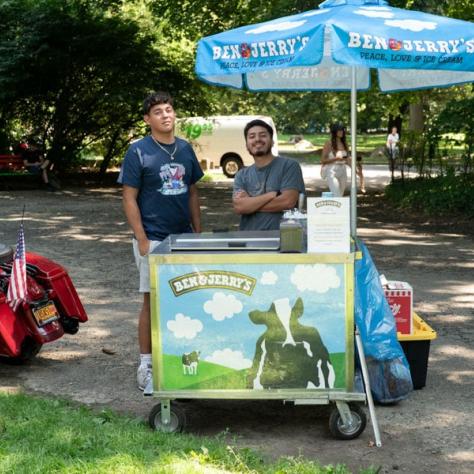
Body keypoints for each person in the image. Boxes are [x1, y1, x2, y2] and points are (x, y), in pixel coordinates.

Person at [118, 91, 203, 391]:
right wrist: (141, 238)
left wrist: (198, 232)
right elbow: (129, 197)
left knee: (188, 298)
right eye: (158, 112)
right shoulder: (138, 151)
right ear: (147, 119)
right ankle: (147, 365)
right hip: (153, 238)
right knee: (151, 301)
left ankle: (183, 358)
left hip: (184, 239)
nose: (166, 115)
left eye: (169, 109)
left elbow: (192, 192)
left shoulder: (185, 149)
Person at [233, 119, 305, 230]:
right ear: (247, 145)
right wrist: (271, 195)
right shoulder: (241, 175)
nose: (257, 139)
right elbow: (239, 207)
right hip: (248, 240)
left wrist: (250, 203)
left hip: (283, 238)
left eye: (262, 135)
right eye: (252, 136)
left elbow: (288, 201)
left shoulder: (289, 166)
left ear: (272, 141)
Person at [320, 123, 351, 197]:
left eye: (342, 130)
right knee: (336, 194)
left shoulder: (345, 143)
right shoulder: (329, 143)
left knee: (341, 193)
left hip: (343, 170)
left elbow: (347, 159)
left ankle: (339, 208)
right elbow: (323, 160)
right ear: (334, 132)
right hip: (332, 170)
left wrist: (354, 168)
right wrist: (336, 158)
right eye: (339, 130)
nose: (342, 132)